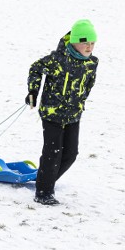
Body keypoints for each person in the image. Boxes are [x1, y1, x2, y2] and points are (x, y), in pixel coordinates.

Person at [26, 20, 98, 206]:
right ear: (74, 42)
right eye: (85, 43)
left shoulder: (91, 63)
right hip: (52, 113)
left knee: (71, 154)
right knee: (52, 152)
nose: (89, 47)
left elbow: (89, 84)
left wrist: (80, 102)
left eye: (92, 43)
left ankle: (46, 180)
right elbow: (36, 68)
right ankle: (43, 191)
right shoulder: (58, 60)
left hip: (74, 115)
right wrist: (33, 91)